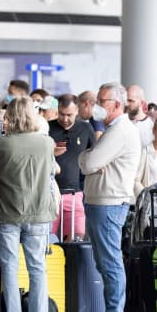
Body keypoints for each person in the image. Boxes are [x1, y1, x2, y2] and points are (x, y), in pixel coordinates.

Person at [0, 97, 56, 312]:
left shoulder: (2, 144)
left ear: (10, 116)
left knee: (10, 268)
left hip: (8, 213)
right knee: (38, 269)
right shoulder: (47, 142)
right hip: (40, 213)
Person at [78, 83, 141, 312]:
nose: (96, 106)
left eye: (101, 101)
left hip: (109, 203)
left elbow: (88, 162)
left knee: (110, 261)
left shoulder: (119, 131)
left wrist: (89, 159)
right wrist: (91, 159)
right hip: (101, 201)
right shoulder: (112, 130)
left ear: (116, 104)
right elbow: (91, 161)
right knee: (104, 262)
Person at [48, 94, 95, 240]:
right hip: (49, 194)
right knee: (49, 241)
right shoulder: (47, 128)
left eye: (69, 115)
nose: (65, 119)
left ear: (77, 112)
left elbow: (95, 154)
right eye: (62, 114)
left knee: (76, 239)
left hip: (75, 194)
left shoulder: (86, 128)